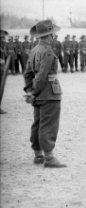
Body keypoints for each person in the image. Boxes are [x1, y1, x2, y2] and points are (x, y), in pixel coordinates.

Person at [23, 19, 66, 168]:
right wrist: (33, 92)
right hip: (48, 92)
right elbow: (41, 75)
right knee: (49, 124)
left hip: (38, 93)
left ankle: (38, 154)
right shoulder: (47, 51)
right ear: (50, 35)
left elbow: (28, 73)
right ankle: (49, 157)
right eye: (53, 33)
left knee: (38, 123)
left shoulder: (35, 49)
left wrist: (30, 90)